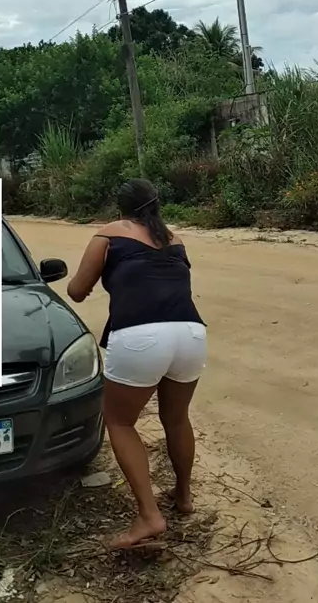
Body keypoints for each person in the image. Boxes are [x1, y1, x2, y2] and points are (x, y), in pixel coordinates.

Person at [67, 178, 207, 549]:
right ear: (156, 205)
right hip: (191, 333)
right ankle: (183, 496)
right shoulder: (175, 239)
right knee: (176, 418)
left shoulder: (109, 234)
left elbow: (76, 291)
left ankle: (148, 516)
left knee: (120, 421)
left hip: (140, 336)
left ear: (121, 207)